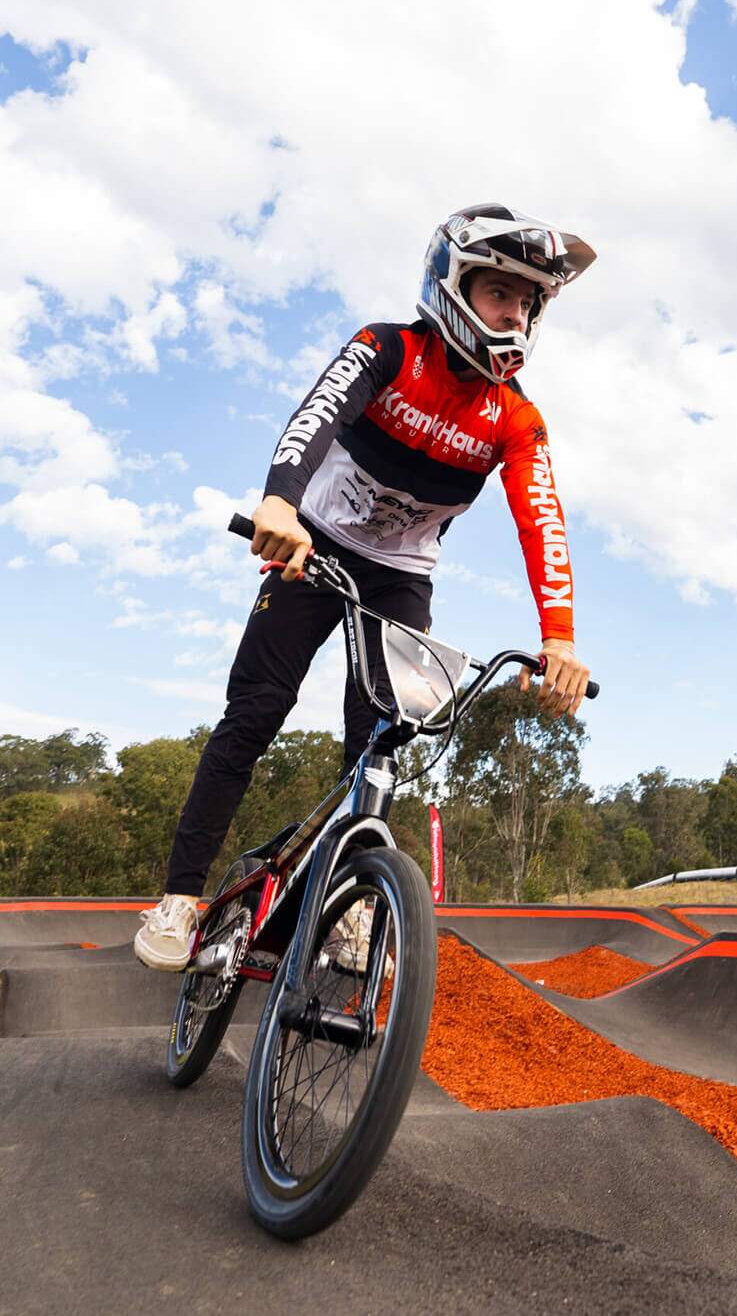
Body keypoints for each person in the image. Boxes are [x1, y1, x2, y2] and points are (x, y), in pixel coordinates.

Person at [134, 204, 598, 970]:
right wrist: (279, 501)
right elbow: (315, 416)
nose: (514, 313)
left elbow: (541, 520)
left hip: (400, 577)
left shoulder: (515, 419)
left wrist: (558, 636)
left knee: (378, 745)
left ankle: (347, 905)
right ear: (453, 285)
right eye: (500, 294)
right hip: (314, 545)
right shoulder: (388, 349)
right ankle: (180, 902)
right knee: (255, 712)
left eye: (528, 302)